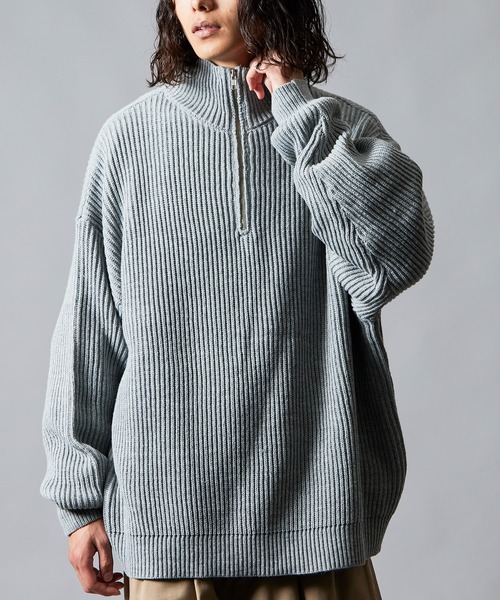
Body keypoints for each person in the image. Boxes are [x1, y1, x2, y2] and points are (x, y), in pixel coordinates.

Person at [39, 0, 434, 598]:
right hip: (168, 528)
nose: (198, 4)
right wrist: (79, 501)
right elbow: (90, 329)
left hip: (314, 524)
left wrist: (296, 110)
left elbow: (391, 262)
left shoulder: (338, 132)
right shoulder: (128, 140)